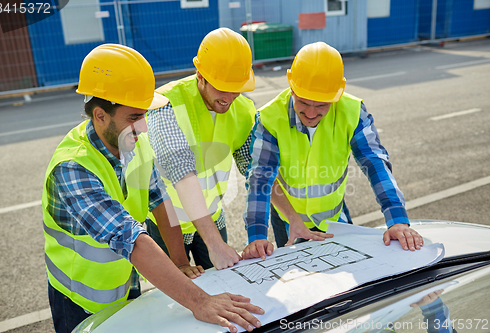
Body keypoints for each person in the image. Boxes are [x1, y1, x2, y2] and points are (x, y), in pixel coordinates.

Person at [42, 43, 263, 333]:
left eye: (144, 115)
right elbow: (130, 238)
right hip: (78, 299)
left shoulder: (135, 144)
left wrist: (181, 262)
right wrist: (200, 302)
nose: (144, 127)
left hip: (125, 284)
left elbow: (160, 201)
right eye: (134, 118)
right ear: (100, 116)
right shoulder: (73, 167)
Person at [241, 42, 424, 260]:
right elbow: (260, 177)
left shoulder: (353, 112)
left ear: (337, 95)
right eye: (303, 102)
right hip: (288, 219)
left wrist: (397, 220)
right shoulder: (270, 118)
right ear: (292, 87)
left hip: (334, 216)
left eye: (321, 106)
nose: (310, 113)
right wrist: (256, 236)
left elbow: (375, 162)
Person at [146, 27, 256, 270]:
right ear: (200, 75)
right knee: (178, 298)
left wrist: (257, 233)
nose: (229, 97)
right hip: (168, 225)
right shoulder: (164, 104)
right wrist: (215, 245)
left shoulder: (244, 110)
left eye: (236, 87)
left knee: (222, 287)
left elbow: (256, 172)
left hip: (213, 218)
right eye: (221, 87)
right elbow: (180, 173)